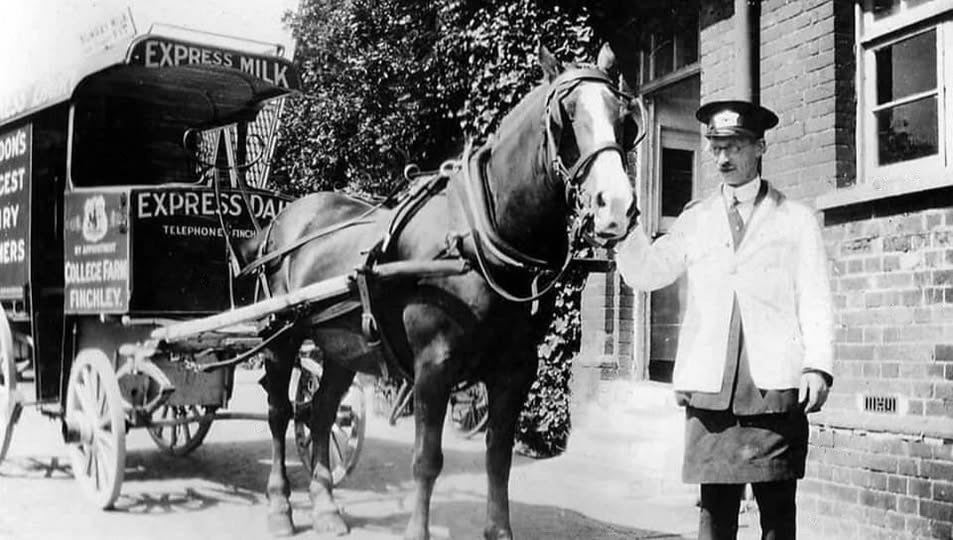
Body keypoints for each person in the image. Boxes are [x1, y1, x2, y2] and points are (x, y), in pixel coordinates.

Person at [614, 100, 834, 540]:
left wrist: (818, 366)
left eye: (733, 146)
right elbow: (651, 271)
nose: (722, 158)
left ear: (760, 147)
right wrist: (622, 230)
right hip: (710, 390)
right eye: (716, 147)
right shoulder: (696, 220)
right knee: (714, 515)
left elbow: (816, 297)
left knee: (777, 515)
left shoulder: (796, 220)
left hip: (772, 389)